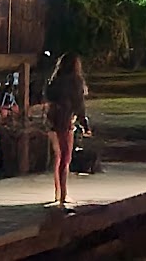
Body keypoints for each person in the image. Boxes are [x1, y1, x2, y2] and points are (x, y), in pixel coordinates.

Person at [43, 52, 90, 208]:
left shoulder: (55, 81)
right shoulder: (75, 82)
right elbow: (79, 105)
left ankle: (58, 192)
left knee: (58, 157)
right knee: (65, 158)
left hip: (52, 119)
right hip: (65, 120)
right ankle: (63, 195)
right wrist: (84, 124)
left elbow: (48, 95)